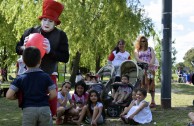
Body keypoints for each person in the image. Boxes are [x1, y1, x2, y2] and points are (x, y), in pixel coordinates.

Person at [15, 0, 69, 117]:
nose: (47, 23)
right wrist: (23, 47)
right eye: (45, 19)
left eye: (50, 21)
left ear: (55, 22)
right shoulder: (30, 31)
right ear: (41, 20)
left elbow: (65, 57)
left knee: (51, 108)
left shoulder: (61, 35)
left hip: (48, 75)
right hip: (29, 76)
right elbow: (17, 48)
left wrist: (50, 51)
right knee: (28, 106)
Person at [6, 46, 57, 126]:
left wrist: (18, 97)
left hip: (28, 110)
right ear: (40, 61)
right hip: (44, 109)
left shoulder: (20, 78)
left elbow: (9, 95)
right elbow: (54, 94)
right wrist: (45, 98)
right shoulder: (46, 76)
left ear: (24, 62)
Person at [134, 35, 158, 108]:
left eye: (144, 41)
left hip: (150, 69)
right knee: (142, 84)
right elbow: (137, 58)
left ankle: (153, 100)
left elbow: (153, 57)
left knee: (151, 84)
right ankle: (141, 100)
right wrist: (145, 63)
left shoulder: (150, 49)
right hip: (141, 69)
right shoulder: (137, 50)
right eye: (141, 41)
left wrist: (150, 63)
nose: (143, 42)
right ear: (139, 42)